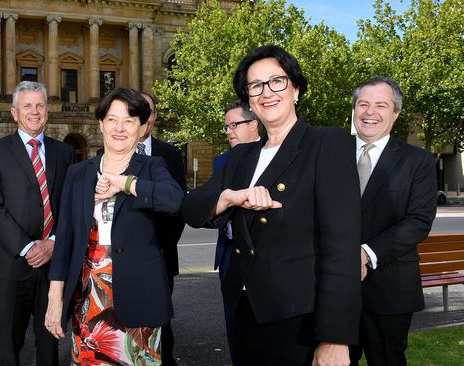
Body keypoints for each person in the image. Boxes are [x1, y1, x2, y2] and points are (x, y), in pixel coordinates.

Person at [182, 45, 361, 365]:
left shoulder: (326, 143)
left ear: (296, 89)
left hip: (300, 320)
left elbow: (342, 249)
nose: (266, 92)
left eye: (276, 81)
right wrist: (228, 198)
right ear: (249, 99)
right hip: (244, 313)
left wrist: (334, 338)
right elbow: (192, 208)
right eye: (256, 86)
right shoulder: (241, 157)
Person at [44, 87, 184, 365]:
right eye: (112, 119)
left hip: (140, 296)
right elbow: (65, 242)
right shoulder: (78, 173)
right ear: (101, 124)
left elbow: (173, 200)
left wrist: (125, 183)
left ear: (142, 127)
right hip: (88, 298)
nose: (120, 128)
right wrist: (54, 298)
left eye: (129, 121)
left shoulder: (152, 167)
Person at [0, 81, 75, 366]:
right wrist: (28, 246)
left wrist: (53, 243)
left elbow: (71, 207)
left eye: (40, 105)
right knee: (8, 346)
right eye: (27, 106)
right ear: (14, 113)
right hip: (11, 265)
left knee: (49, 345)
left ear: (48, 110)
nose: (34, 112)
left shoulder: (64, 153)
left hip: (53, 268)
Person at [348, 76, 437, 366]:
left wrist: (365, 253)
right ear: (354, 109)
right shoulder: (329, 155)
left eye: (380, 105)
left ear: (395, 113)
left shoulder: (418, 161)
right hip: (333, 288)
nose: (370, 112)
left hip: (390, 289)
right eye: (363, 104)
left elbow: (419, 221)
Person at [138, 92, 187, 365]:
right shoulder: (105, 155)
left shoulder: (171, 154)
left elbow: (177, 207)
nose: (144, 116)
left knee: (161, 323)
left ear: (155, 117)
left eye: (149, 110)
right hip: (121, 258)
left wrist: (159, 246)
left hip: (160, 255)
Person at [213, 99, 260, 362]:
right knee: (234, 324)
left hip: (265, 257)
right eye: (226, 126)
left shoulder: (274, 155)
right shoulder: (221, 162)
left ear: (254, 124)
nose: (229, 131)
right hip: (230, 256)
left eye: (235, 124)